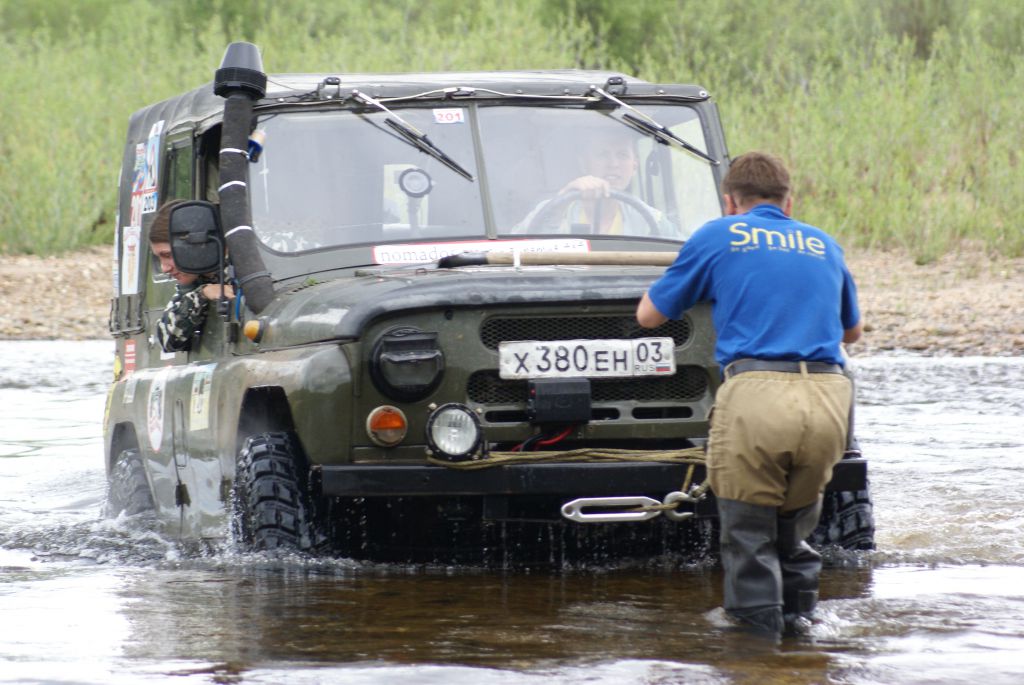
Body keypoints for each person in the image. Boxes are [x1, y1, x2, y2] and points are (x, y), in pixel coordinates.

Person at [636, 152, 863, 636]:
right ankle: (802, 641)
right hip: (829, 398)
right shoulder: (824, 244)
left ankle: (753, 653)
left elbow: (649, 316)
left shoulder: (719, 234)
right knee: (795, 535)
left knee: (750, 540)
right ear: (789, 202)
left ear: (730, 202)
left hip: (757, 395)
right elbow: (853, 332)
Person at [517, 133, 674, 236]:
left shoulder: (651, 219)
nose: (613, 164)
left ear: (634, 166)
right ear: (584, 164)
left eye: (622, 155)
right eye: (603, 154)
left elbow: (685, 260)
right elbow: (512, 253)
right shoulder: (551, 209)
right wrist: (559, 205)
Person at [148, 200, 235, 352]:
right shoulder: (197, 282)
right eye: (159, 258)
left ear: (197, 244)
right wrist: (202, 295)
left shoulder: (244, 269)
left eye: (168, 255)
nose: (164, 268)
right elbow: (168, 340)